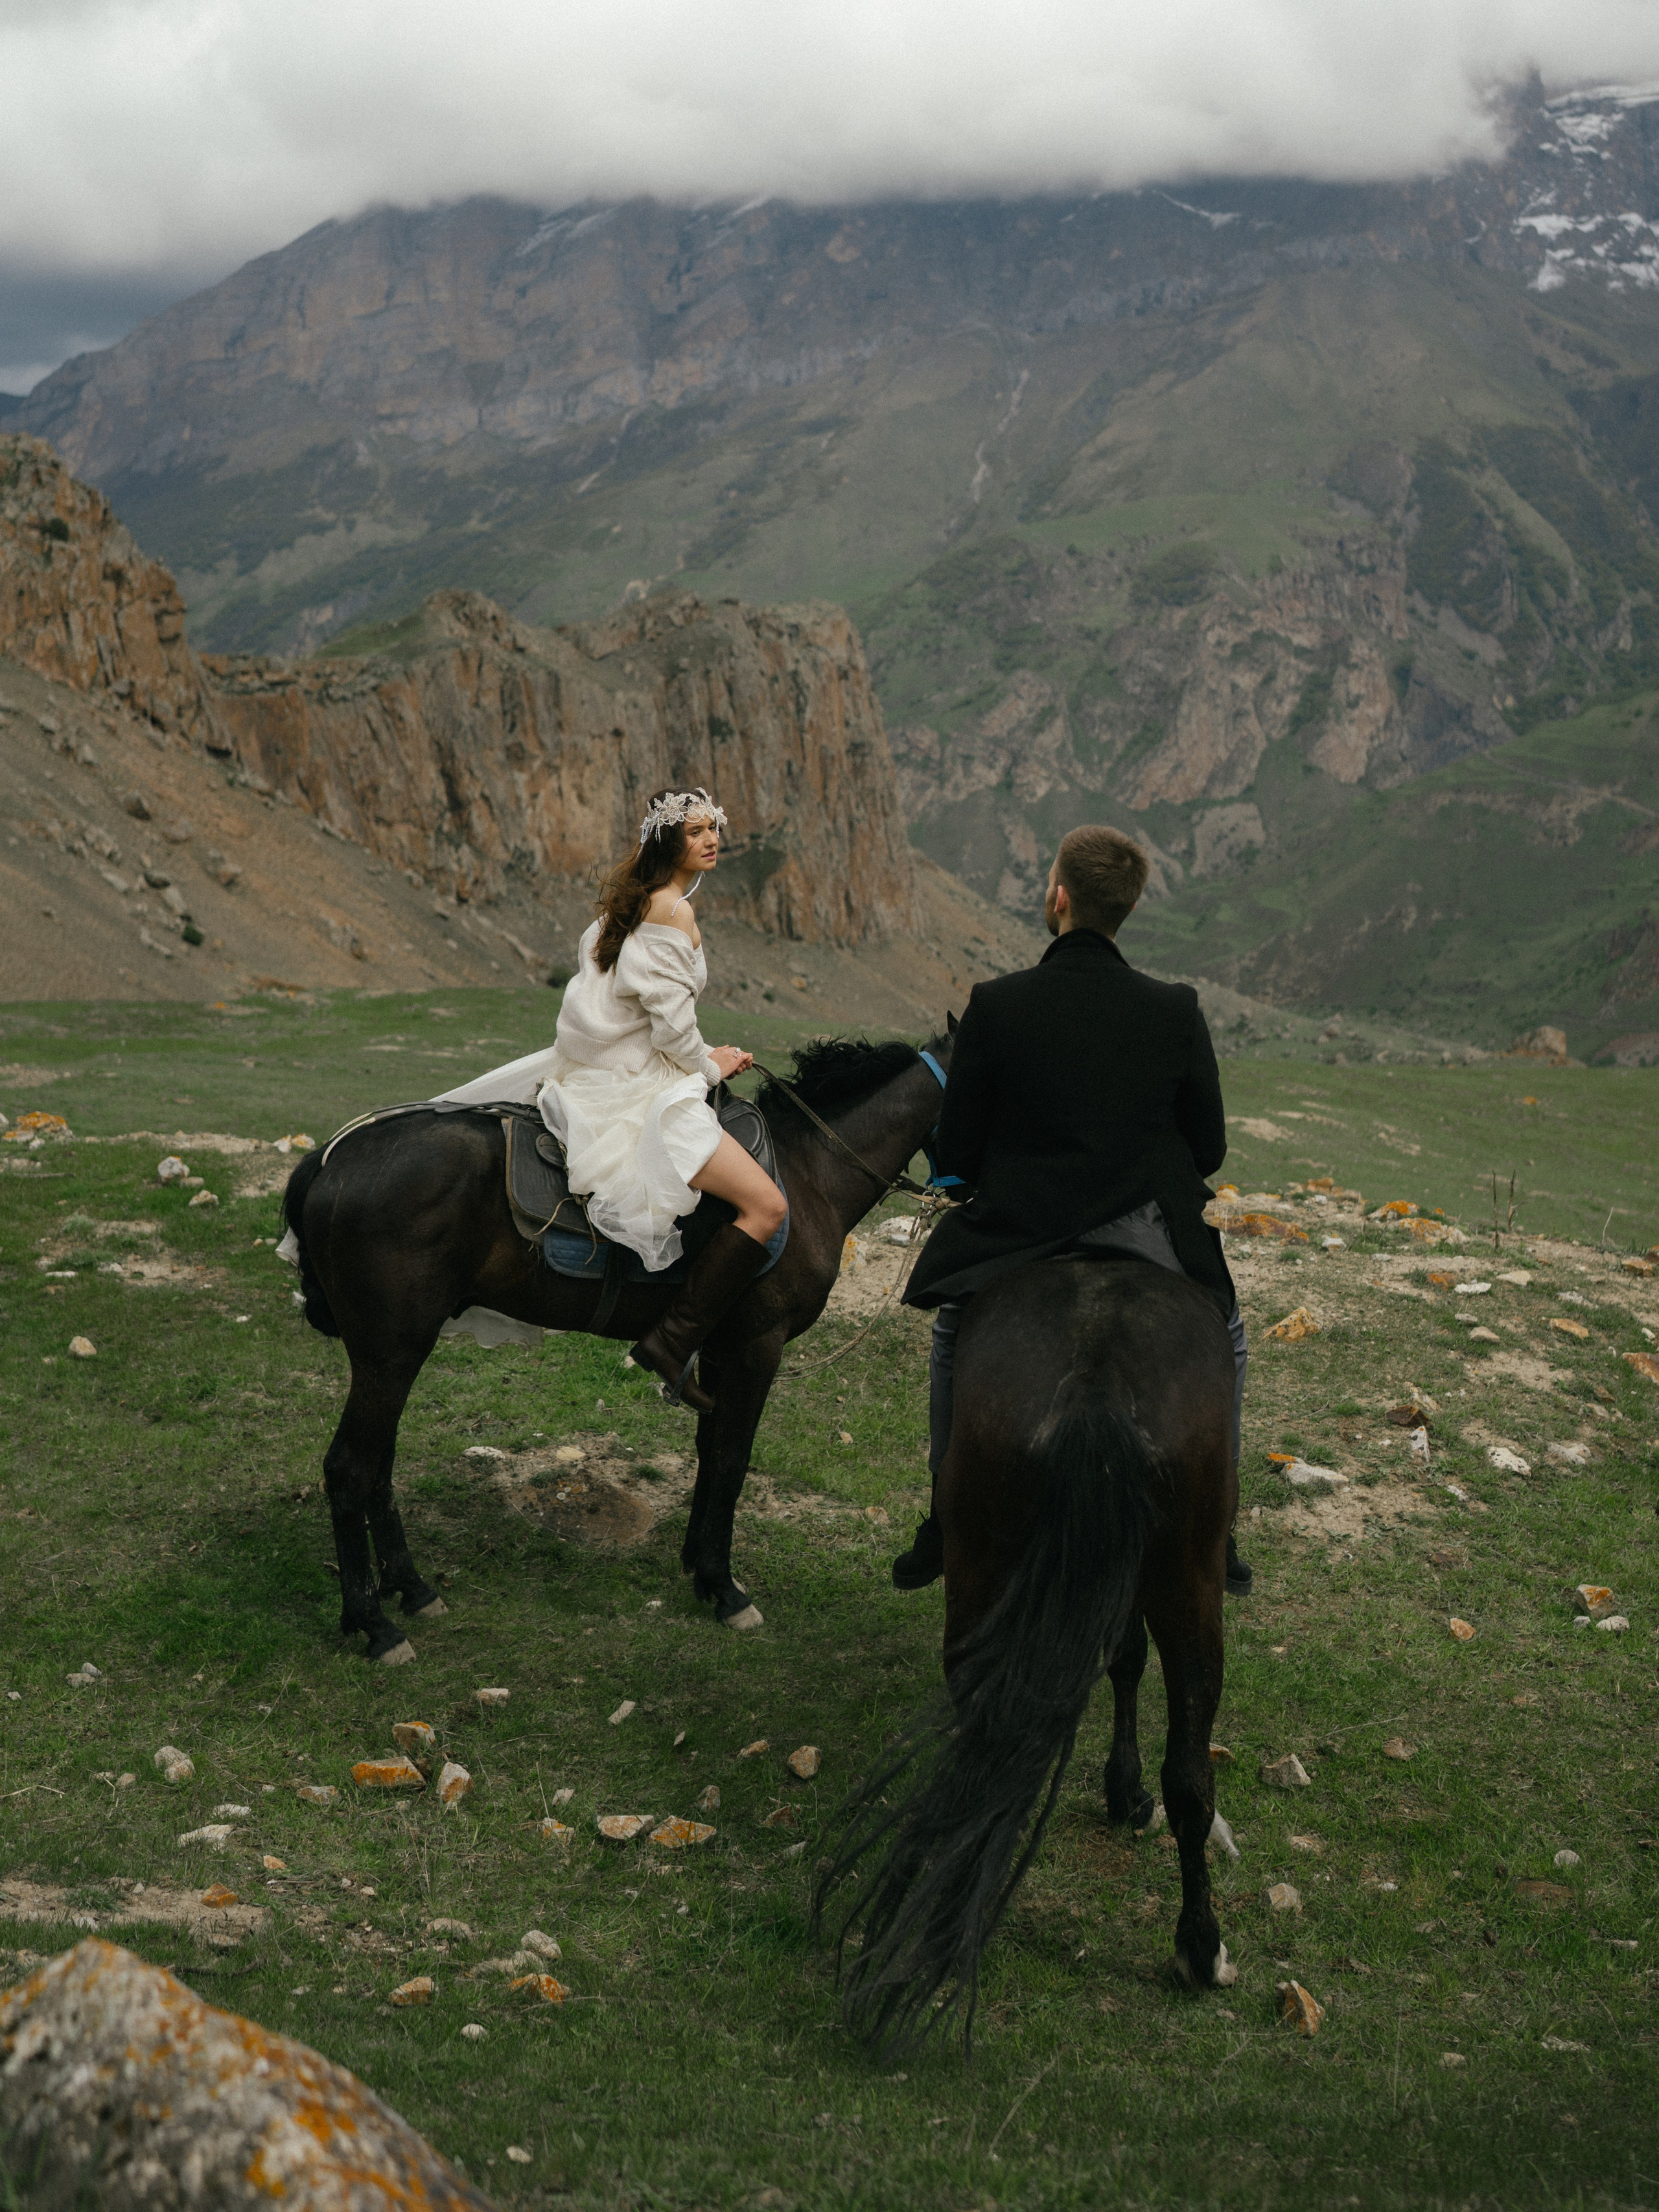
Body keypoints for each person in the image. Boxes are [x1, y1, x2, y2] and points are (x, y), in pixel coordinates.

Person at [892, 822, 1252, 1595]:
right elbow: (1210, 1147)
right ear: (1126, 909)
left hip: (1020, 1231)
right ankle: (1218, 1529)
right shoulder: (1176, 1008)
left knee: (955, 1331)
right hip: (1149, 1230)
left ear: (1058, 898)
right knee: (1227, 1333)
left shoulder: (995, 1003)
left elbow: (955, 1155)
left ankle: (942, 1514)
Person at [437, 787, 786, 1414]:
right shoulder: (672, 910)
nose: (711, 840)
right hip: (640, 1083)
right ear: (667, 841)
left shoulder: (629, 906)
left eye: (715, 829)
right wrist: (714, 1063)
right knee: (766, 1205)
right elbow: (673, 1030)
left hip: (614, 1066)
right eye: (696, 831)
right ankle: (672, 1341)